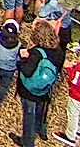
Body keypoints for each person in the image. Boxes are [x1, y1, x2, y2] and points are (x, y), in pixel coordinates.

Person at [11, 19, 63, 147]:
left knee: (29, 115)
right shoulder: (58, 50)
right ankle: (40, 129)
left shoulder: (37, 53)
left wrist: (23, 58)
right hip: (45, 88)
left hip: (29, 91)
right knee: (41, 109)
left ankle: (27, 142)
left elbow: (27, 71)